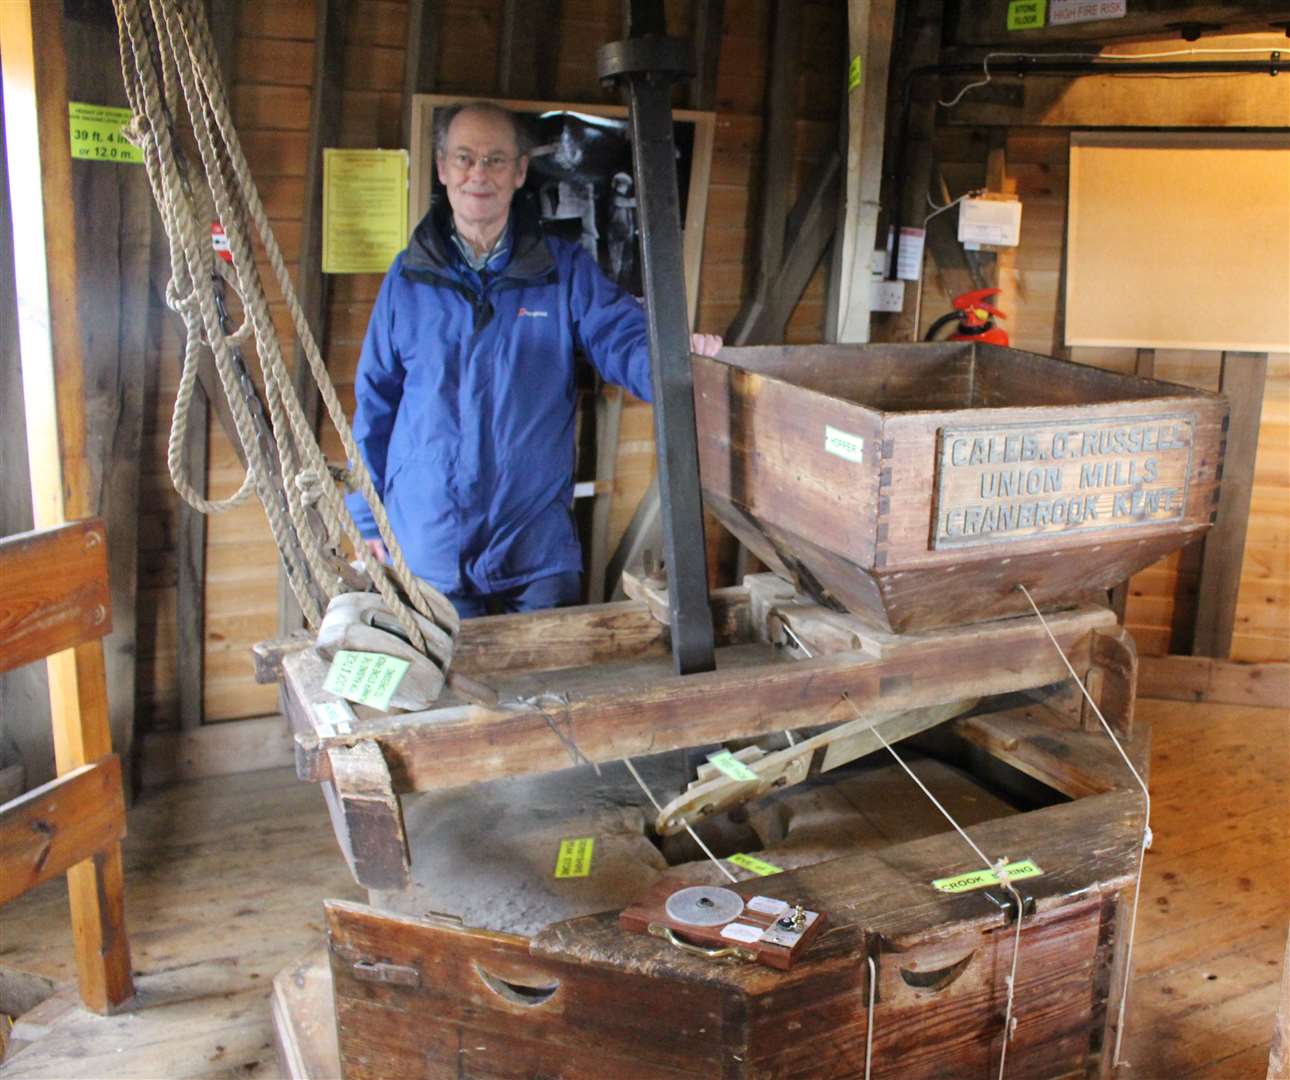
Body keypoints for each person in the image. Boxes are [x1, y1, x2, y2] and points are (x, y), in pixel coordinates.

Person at [347, 102, 722, 618]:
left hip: (533, 548)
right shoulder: (408, 280)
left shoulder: (562, 270)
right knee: (450, 695)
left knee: (547, 693)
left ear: (521, 171)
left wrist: (676, 364)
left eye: (496, 159)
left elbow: (620, 336)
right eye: (464, 158)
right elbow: (375, 405)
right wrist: (368, 522)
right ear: (442, 168)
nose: (479, 173)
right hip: (429, 544)